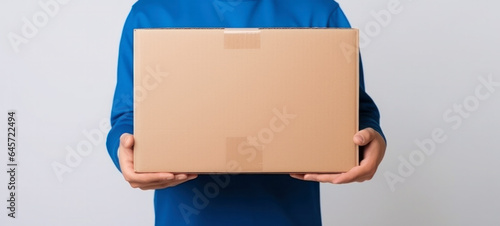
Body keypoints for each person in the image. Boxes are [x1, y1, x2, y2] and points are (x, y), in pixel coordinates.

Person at [106, 0, 387, 225]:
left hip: (288, 216)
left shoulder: (318, 10)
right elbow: (128, 115)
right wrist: (124, 152)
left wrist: (372, 140)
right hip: (186, 216)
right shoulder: (151, 13)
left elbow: (354, 108)